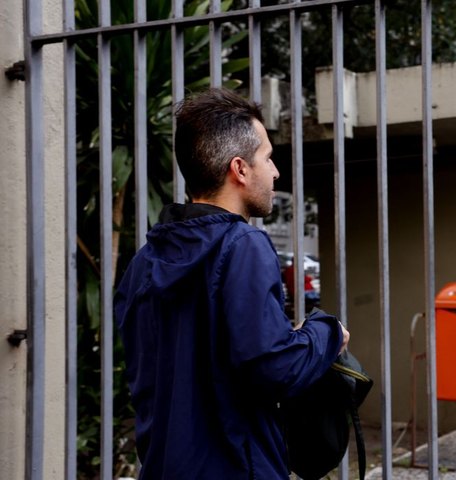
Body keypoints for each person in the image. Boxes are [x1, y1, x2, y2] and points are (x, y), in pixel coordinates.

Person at [114, 88, 350, 479]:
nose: (275, 172)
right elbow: (276, 367)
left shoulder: (143, 262)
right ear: (240, 169)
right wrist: (326, 332)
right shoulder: (243, 245)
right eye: (268, 158)